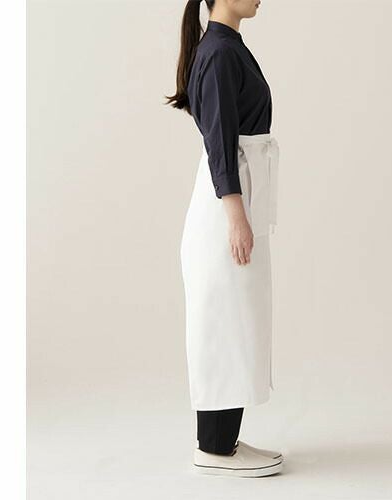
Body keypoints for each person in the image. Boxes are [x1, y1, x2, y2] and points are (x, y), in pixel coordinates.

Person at [166, 0, 282, 477]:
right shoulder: (217, 52)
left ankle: (223, 442)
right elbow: (220, 142)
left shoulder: (226, 46)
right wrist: (236, 217)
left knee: (237, 319)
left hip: (233, 201)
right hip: (224, 208)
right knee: (223, 322)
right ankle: (213, 448)